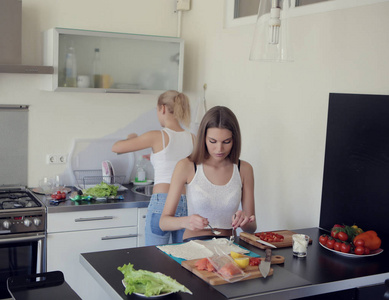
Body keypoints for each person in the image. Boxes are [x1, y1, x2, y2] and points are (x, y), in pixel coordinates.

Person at [160, 106, 256, 242]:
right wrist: (186, 221)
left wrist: (244, 221)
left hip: (228, 246)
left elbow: (252, 227)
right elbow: (163, 222)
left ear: (234, 140)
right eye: (213, 141)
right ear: (203, 138)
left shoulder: (244, 169)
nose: (219, 149)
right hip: (194, 245)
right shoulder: (186, 166)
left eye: (226, 142)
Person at [112, 90, 195, 246]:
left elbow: (116, 148)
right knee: (182, 256)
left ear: (162, 108)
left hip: (162, 202)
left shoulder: (157, 136)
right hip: (186, 203)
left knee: (155, 258)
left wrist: (131, 138)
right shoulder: (192, 138)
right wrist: (156, 158)